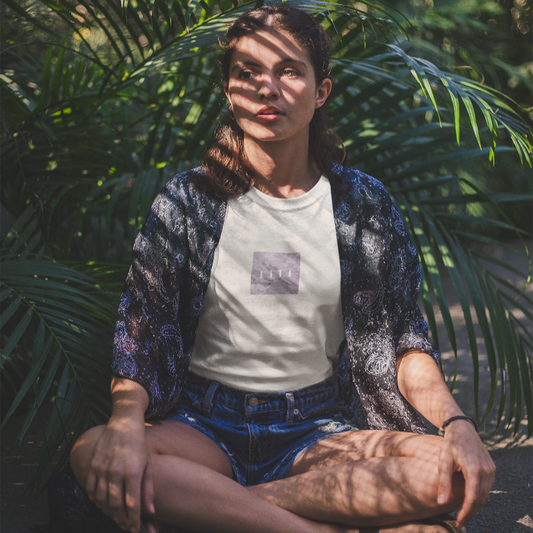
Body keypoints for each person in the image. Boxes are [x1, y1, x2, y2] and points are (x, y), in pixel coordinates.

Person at [68, 5, 495, 533]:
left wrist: (456, 424)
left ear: (321, 91)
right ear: (229, 92)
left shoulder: (363, 206)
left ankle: (219, 507)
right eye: (247, 72)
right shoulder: (189, 201)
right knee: (92, 450)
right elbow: (140, 332)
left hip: (317, 432)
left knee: (447, 473)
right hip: (202, 427)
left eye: (289, 70)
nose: (266, 87)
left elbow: (406, 343)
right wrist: (125, 423)